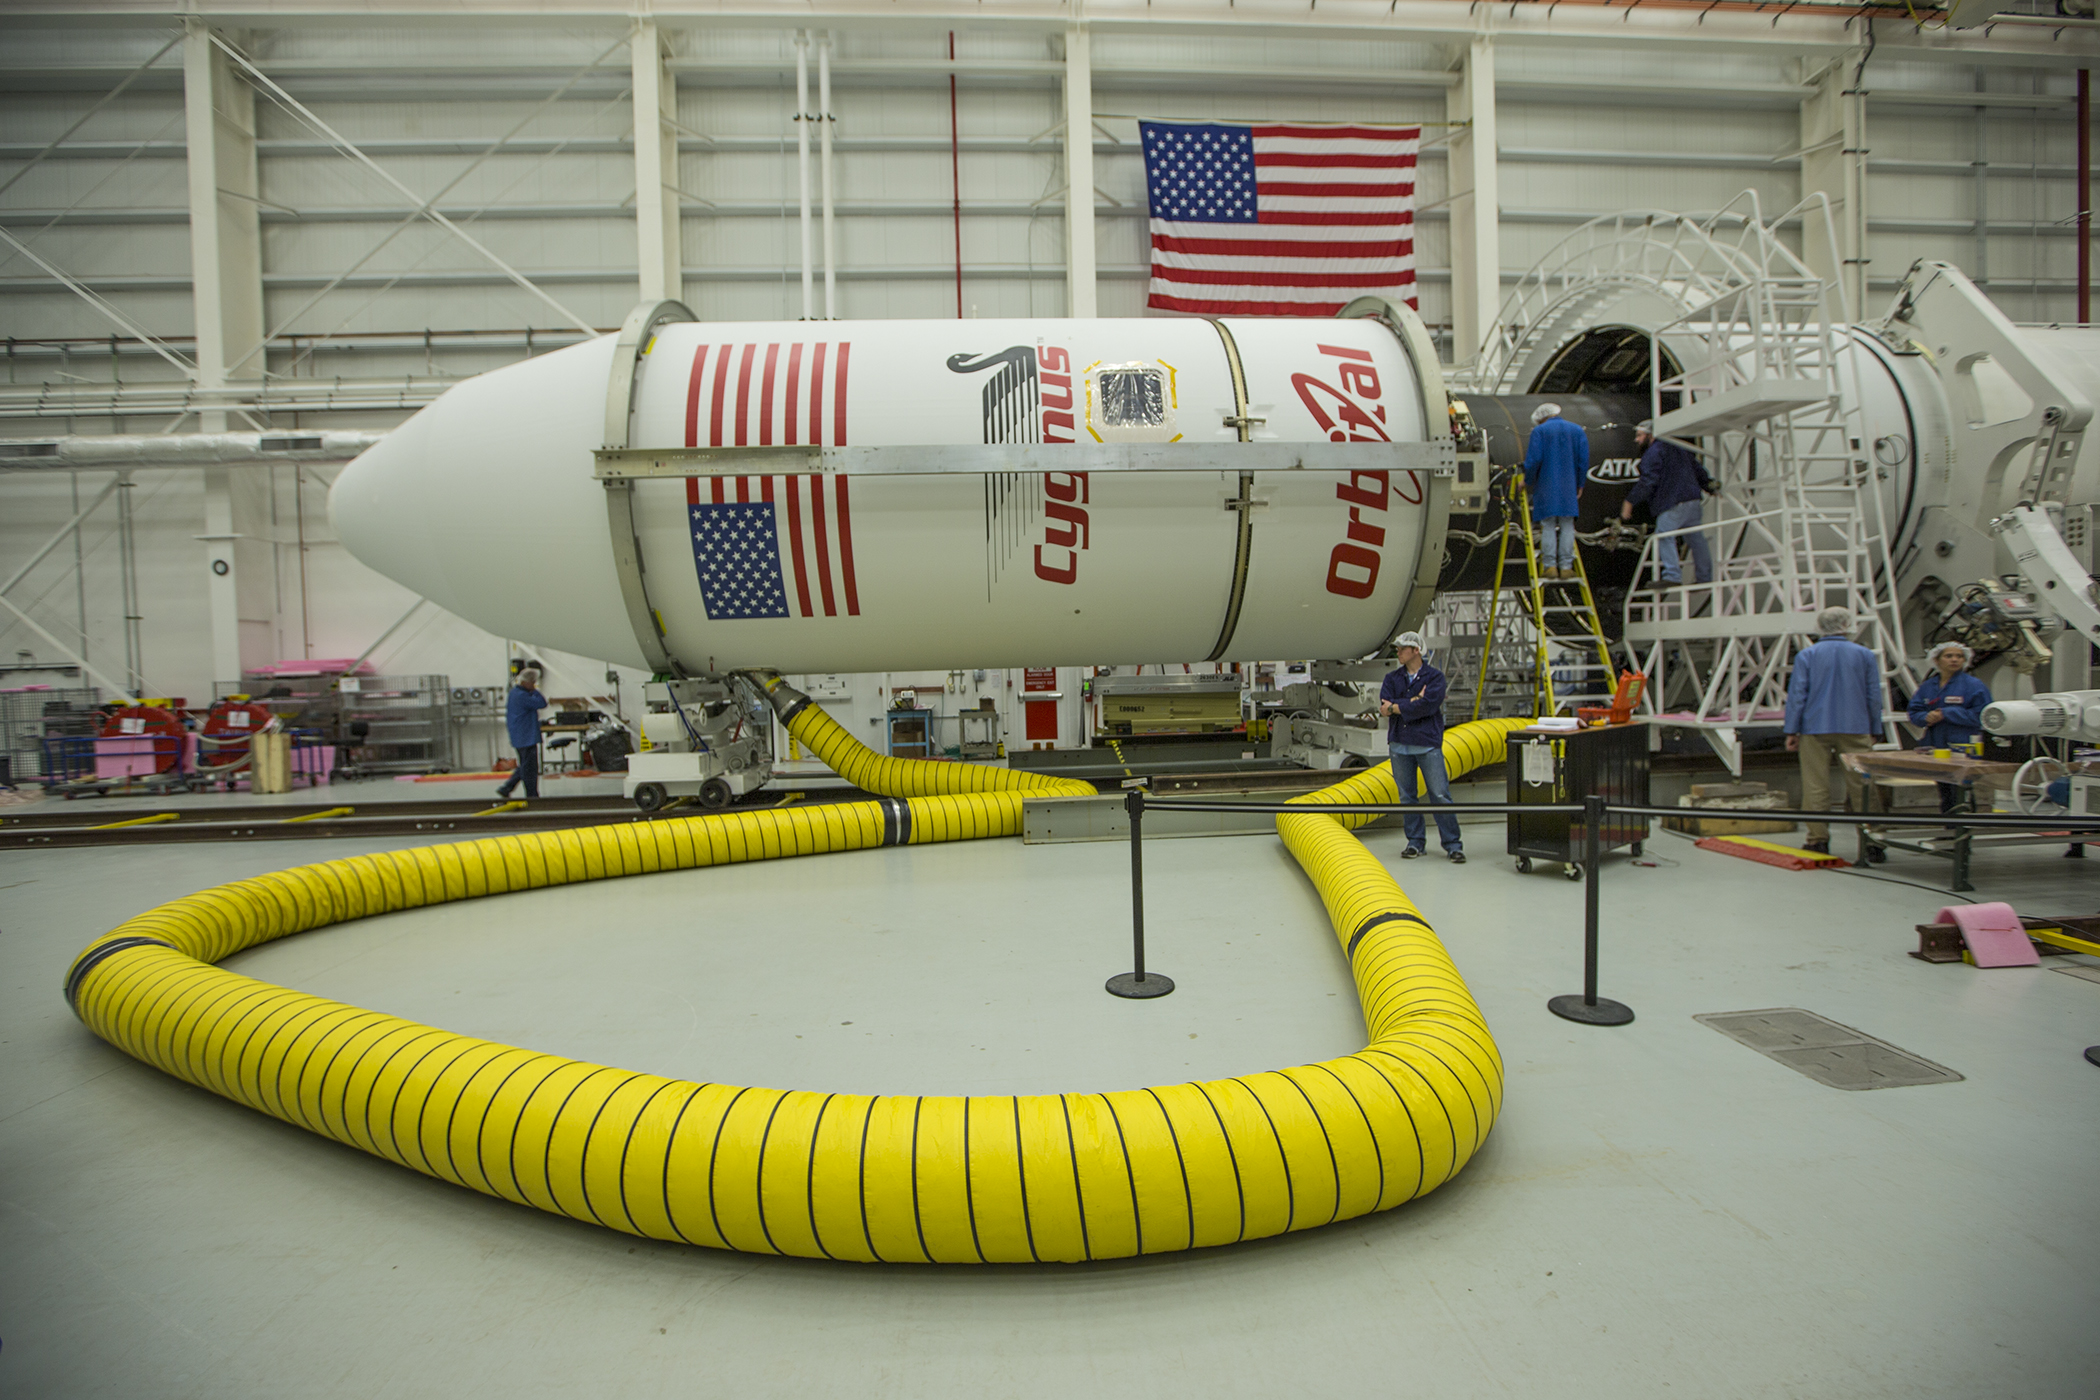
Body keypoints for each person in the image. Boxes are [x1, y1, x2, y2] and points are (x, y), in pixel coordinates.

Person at [1783, 607, 1885, 854]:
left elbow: (1798, 695)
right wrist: (1875, 727)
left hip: (1814, 727)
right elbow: (1874, 695)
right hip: (1856, 726)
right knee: (1863, 783)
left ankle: (1817, 839)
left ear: (1820, 626)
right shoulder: (1865, 655)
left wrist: (1791, 730)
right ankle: (1874, 841)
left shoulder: (1807, 655)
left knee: (1815, 784)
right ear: (1848, 625)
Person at [1378, 632, 1465, 863]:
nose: (1398, 652)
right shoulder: (1392, 678)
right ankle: (1415, 843)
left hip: (1426, 744)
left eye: (1402, 649)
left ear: (1415, 650)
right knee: (1407, 797)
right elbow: (1384, 708)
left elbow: (1428, 706)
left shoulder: (1434, 678)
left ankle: (1453, 845)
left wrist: (1399, 706)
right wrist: (1413, 701)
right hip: (1399, 745)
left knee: (1439, 794)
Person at [1620, 421, 1716, 586]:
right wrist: (1708, 485)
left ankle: (1672, 575)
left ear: (1651, 435)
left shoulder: (1653, 453)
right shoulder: (1680, 448)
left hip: (1673, 502)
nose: (1637, 440)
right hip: (1692, 500)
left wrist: (1630, 501)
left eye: (1640, 435)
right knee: (1696, 540)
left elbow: (1648, 481)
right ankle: (1704, 577)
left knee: (1664, 535)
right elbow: (1697, 469)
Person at [1907, 641, 1992, 814]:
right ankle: (1949, 828)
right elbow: (1914, 711)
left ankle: (1962, 829)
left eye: (1959, 656)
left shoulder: (1973, 686)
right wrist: (1926, 717)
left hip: (1964, 745)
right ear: (1937, 660)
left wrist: (1948, 713)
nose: (1954, 660)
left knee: (1961, 791)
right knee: (1945, 790)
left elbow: (1984, 716)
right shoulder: (1928, 686)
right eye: (1949, 656)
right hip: (1937, 746)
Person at [1522, 403, 1588, 582]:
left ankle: (1550, 566)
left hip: (1546, 485)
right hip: (1569, 485)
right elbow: (1583, 461)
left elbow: (1534, 460)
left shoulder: (1540, 432)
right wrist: (1580, 484)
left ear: (1540, 419)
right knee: (1567, 525)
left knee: (1548, 524)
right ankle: (1566, 567)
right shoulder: (1576, 431)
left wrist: (1526, 481)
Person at [495, 666, 548, 800]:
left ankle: (507, 788)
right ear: (526, 682)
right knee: (529, 768)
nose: (534, 685)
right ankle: (531, 795)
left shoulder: (514, 693)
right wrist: (535, 691)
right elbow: (542, 703)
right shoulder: (523, 696)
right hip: (526, 736)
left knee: (525, 765)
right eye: (533, 682)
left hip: (520, 736)